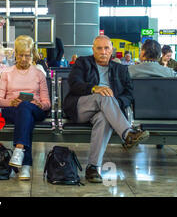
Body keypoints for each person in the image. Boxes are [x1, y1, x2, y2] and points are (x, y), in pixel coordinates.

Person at [63, 35, 149, 183]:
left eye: (106, 48)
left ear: (112, 50)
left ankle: (93, 168)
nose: (103, 51)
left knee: (104, 118)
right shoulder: (82, 63)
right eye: (99, 48)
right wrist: (94, 88)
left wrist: (113, 101)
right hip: (81, 107)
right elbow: (74, 83)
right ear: (93, 50)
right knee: (103, 95)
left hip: (107, 112)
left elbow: (128, 95)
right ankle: (127, 133)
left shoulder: (121, 69)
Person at [0, 35, 51, 181]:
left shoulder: (39, 73)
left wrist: (41, 104)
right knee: (25, 114)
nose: (24, 59)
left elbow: (47, 102)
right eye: (21, 55)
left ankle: (19, 150)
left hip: (35, 109)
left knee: (26, 107)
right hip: (12, 110)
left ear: (32, 55)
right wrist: (11, 102)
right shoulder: (7, 73)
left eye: (27, 55)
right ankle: (24, 164)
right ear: (15, 54)